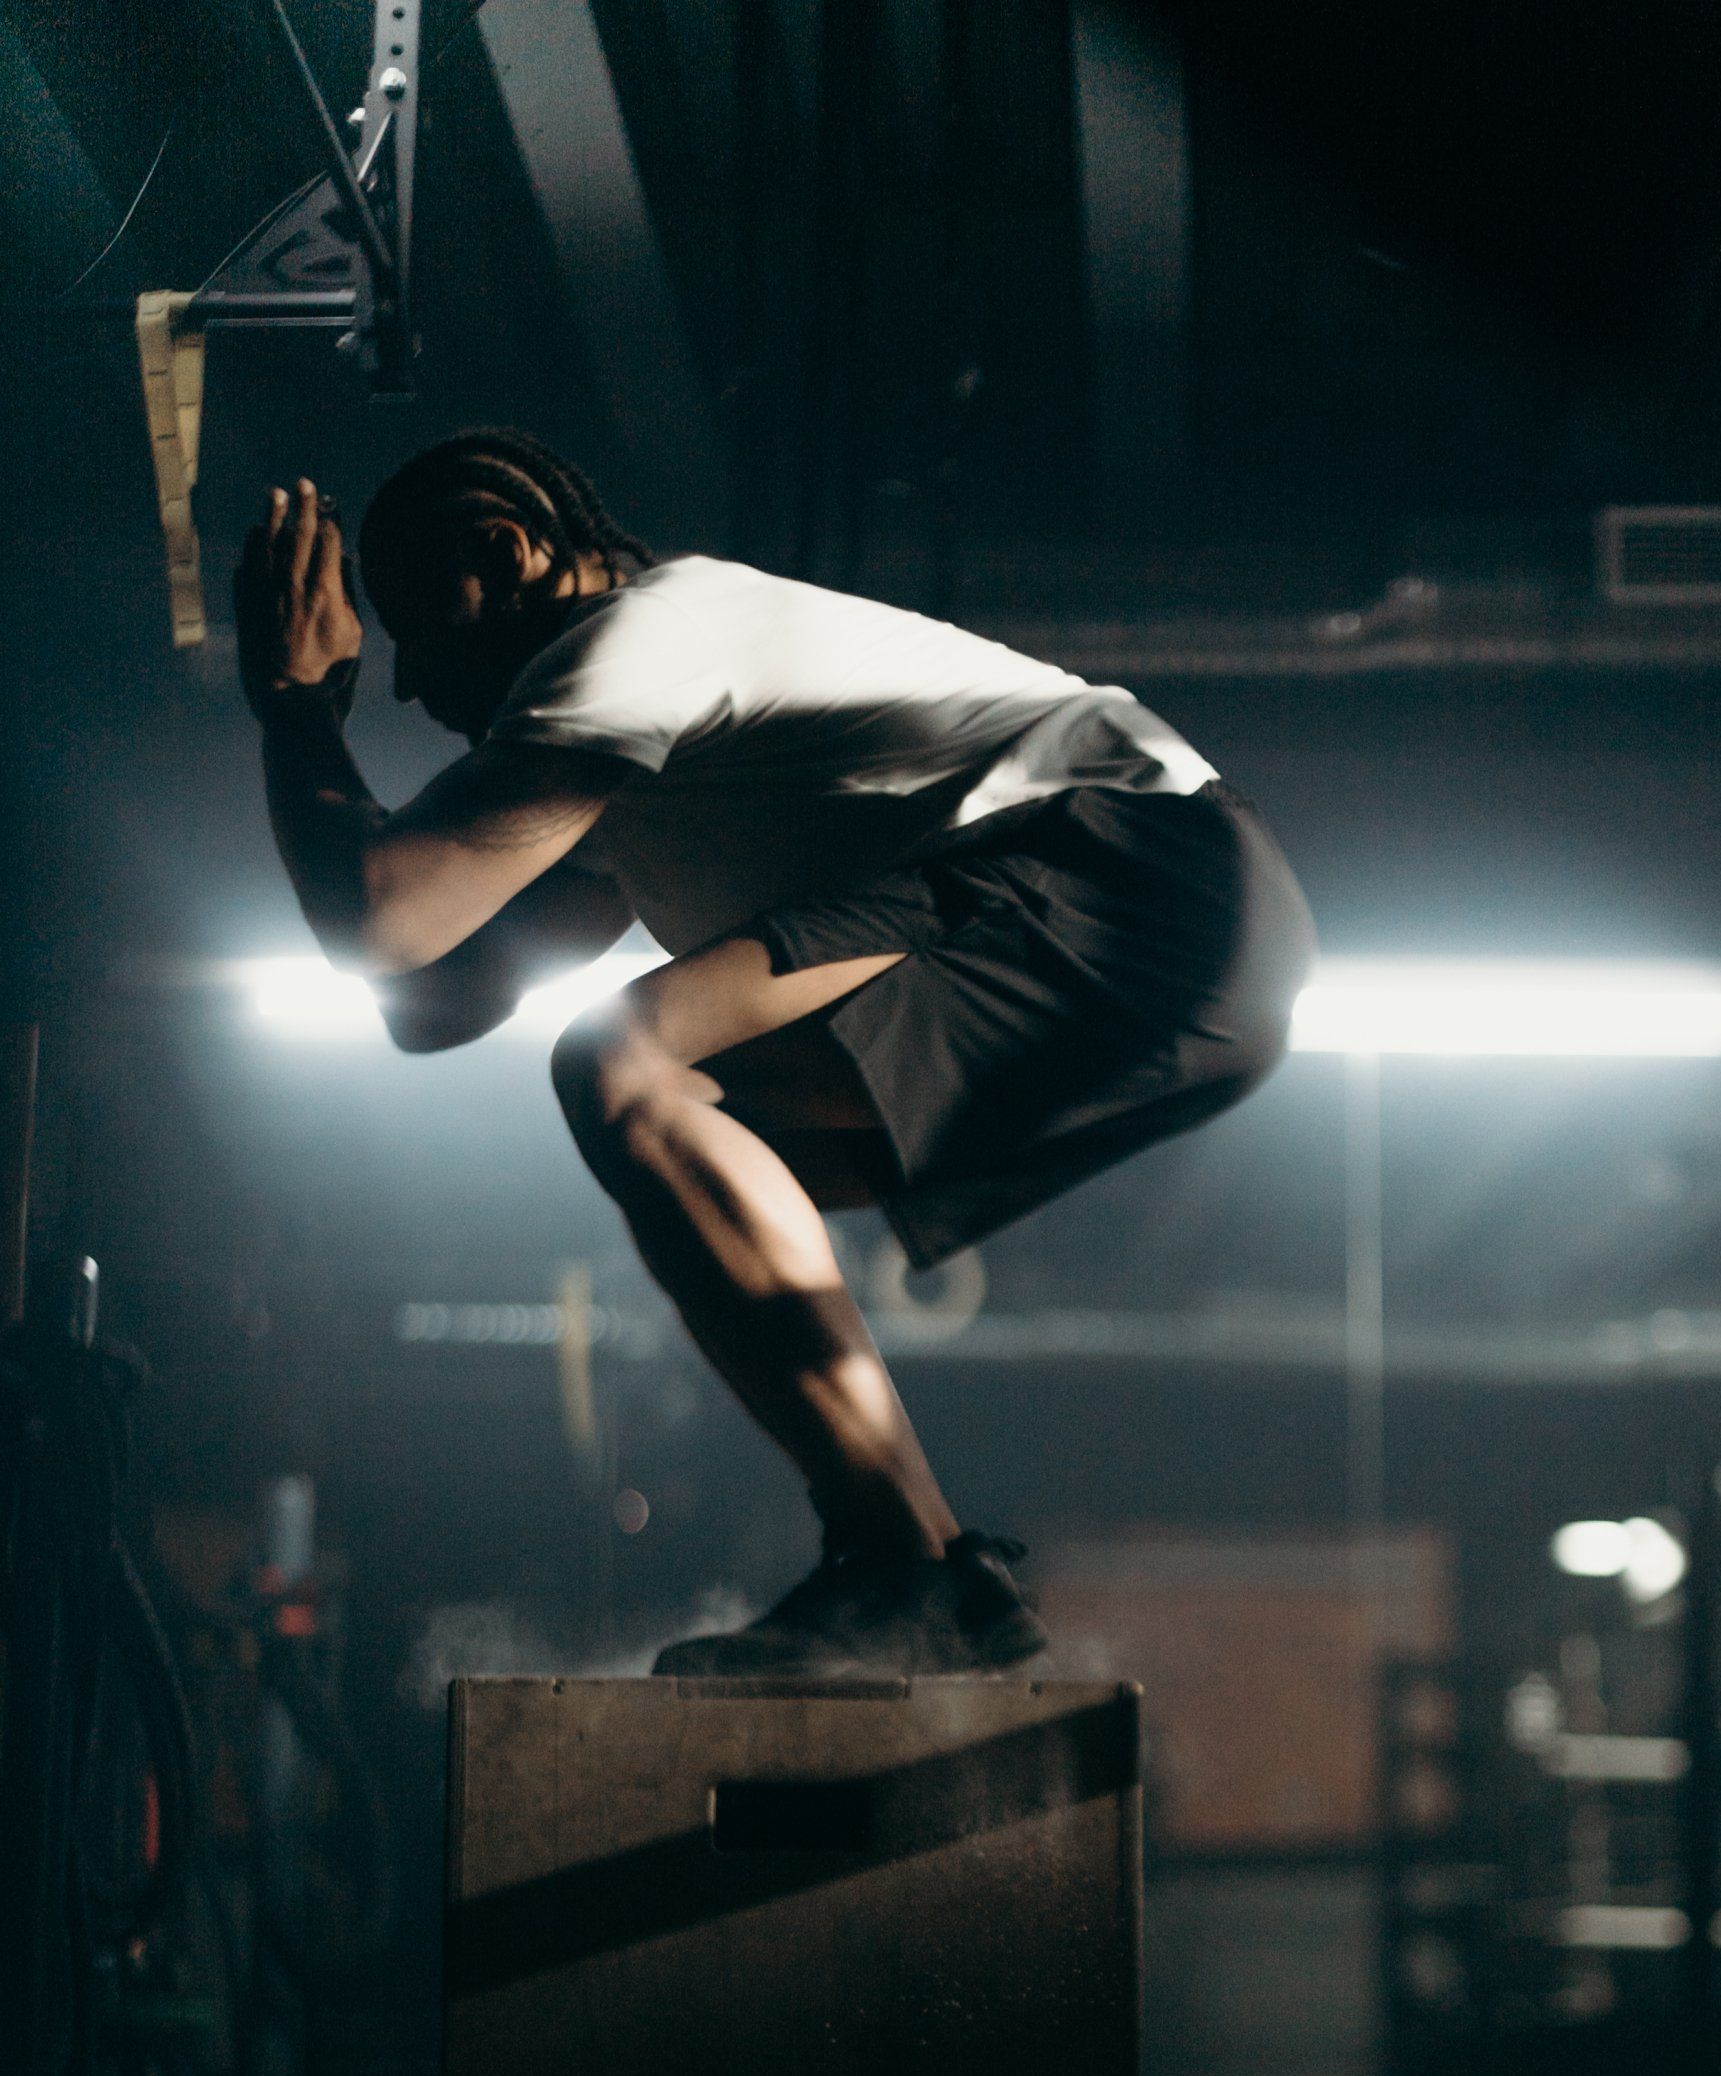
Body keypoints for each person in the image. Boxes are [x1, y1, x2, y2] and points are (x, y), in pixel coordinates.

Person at [237, 430, 1315, 1674]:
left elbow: (380, 920)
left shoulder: (634, 642)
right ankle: (917, 1573)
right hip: (1192, 935)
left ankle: (904, 1561)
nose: (410, 682)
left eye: (417, 622)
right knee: (685, 1139)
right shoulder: (640, 774)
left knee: (626, 1057)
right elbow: (433, 1002)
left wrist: (296, 711)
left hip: (1138, 875)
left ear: (509, 553)